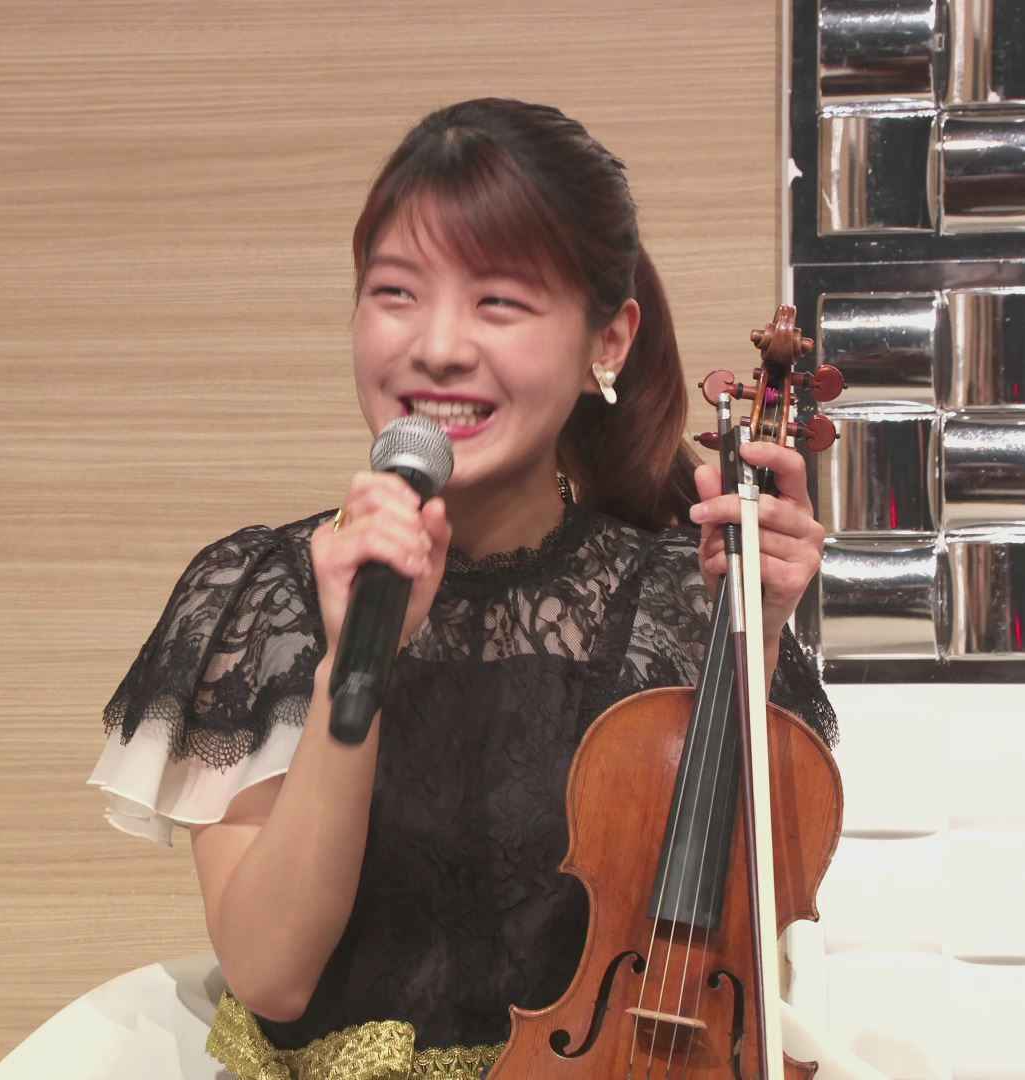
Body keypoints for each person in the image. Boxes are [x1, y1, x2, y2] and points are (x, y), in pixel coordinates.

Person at [88, 97, 837, 1079]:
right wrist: (352, 661)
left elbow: (724, 966)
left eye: (498, 302)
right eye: (396, 292)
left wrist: (754, 636)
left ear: (607, 343)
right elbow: (272, 974)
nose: (437, 346)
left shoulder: (686, 600)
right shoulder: (260, 593)